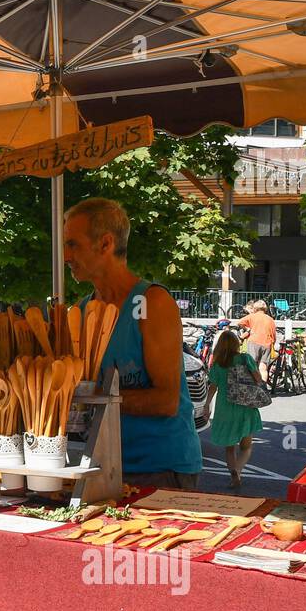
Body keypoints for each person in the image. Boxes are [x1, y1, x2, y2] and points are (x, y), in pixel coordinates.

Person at [63, 198, 202, 489]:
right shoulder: (81, 311)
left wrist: (95, 396)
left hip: (161, 469)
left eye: (73, 244)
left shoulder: (151, 302)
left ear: (105, 244)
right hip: (100, 465)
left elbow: (166, 401)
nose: (65, 256)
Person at [203, 329, 263, 489]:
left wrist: (206, 406)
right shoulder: (245, 358)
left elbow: (212, 388)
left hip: (225, 408)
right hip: (245, 407)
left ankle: (233, 473)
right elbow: (258, 379)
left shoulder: (217, 365)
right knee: (246, 447)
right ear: (237, 343)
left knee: (229, 448)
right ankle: (238, 469)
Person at [235, 299, 277, 383]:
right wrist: (272, 344)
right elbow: (273, 334)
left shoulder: (252, 316)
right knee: (263, 367)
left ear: (255, 308)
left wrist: (247, 329)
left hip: (254, 342)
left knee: (252, 365)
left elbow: (239, 323)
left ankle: (252, 385)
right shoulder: (270, 319)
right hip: (266, 343)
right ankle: (263, 387)